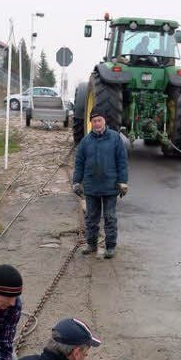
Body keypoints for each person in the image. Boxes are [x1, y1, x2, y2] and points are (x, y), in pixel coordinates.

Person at [73, 107, 128, 259]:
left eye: (99, 120)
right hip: (91, 187)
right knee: (91, 217)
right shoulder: (85, 141)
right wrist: (76, 181)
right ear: (91, 123)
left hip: (110, 186)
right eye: (94, 121)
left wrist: (123, 181)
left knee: (110, 217)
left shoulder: (115, 138)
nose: (97, 123)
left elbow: (122, 162)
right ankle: (91, 244)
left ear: (104, 121)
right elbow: (79, 163)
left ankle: (110, 246)